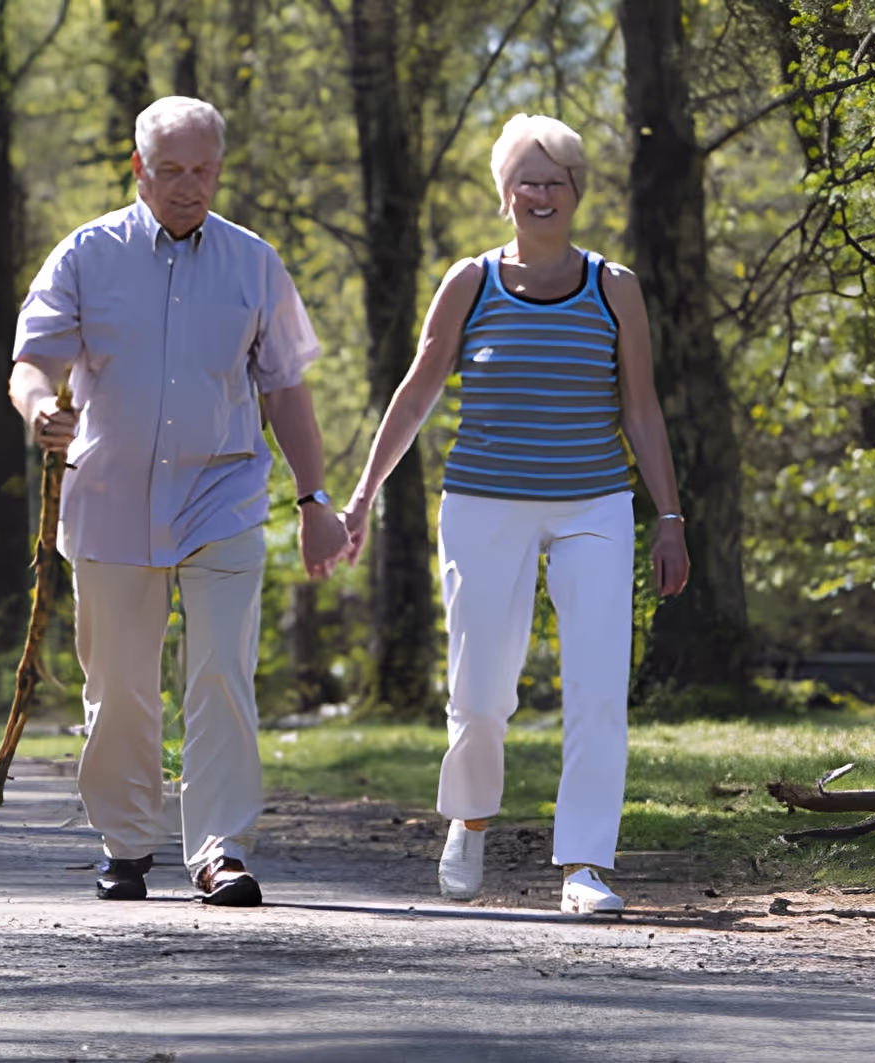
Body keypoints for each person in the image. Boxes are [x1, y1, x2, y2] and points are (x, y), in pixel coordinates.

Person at [339, 114, 690, 914]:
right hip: (483, 503)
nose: (541, 193)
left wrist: (669, 516)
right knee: (482, 687)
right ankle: (469, 817)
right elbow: (419, 391)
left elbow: (642, 408)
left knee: (598, 684)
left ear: (577, 193)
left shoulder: (615, 287)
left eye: (555, 180)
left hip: (595, 502)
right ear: (504, 193)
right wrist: (363, 494)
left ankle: (586, 865)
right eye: (526, 180)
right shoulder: (471, 282)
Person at [9, 96, 349, 907]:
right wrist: (37, 411)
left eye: (203, 170)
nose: (190, 186)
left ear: (219, 169)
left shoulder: (253, 263)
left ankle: (220, 848)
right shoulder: (86, 255)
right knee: (121, 683)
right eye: (171, 171)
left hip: (221, 493)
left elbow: (286, 389)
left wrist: (314, 499)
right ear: (139, 169)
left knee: (222, 673)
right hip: (109, 499)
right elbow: (31, 361)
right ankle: (126, 843)